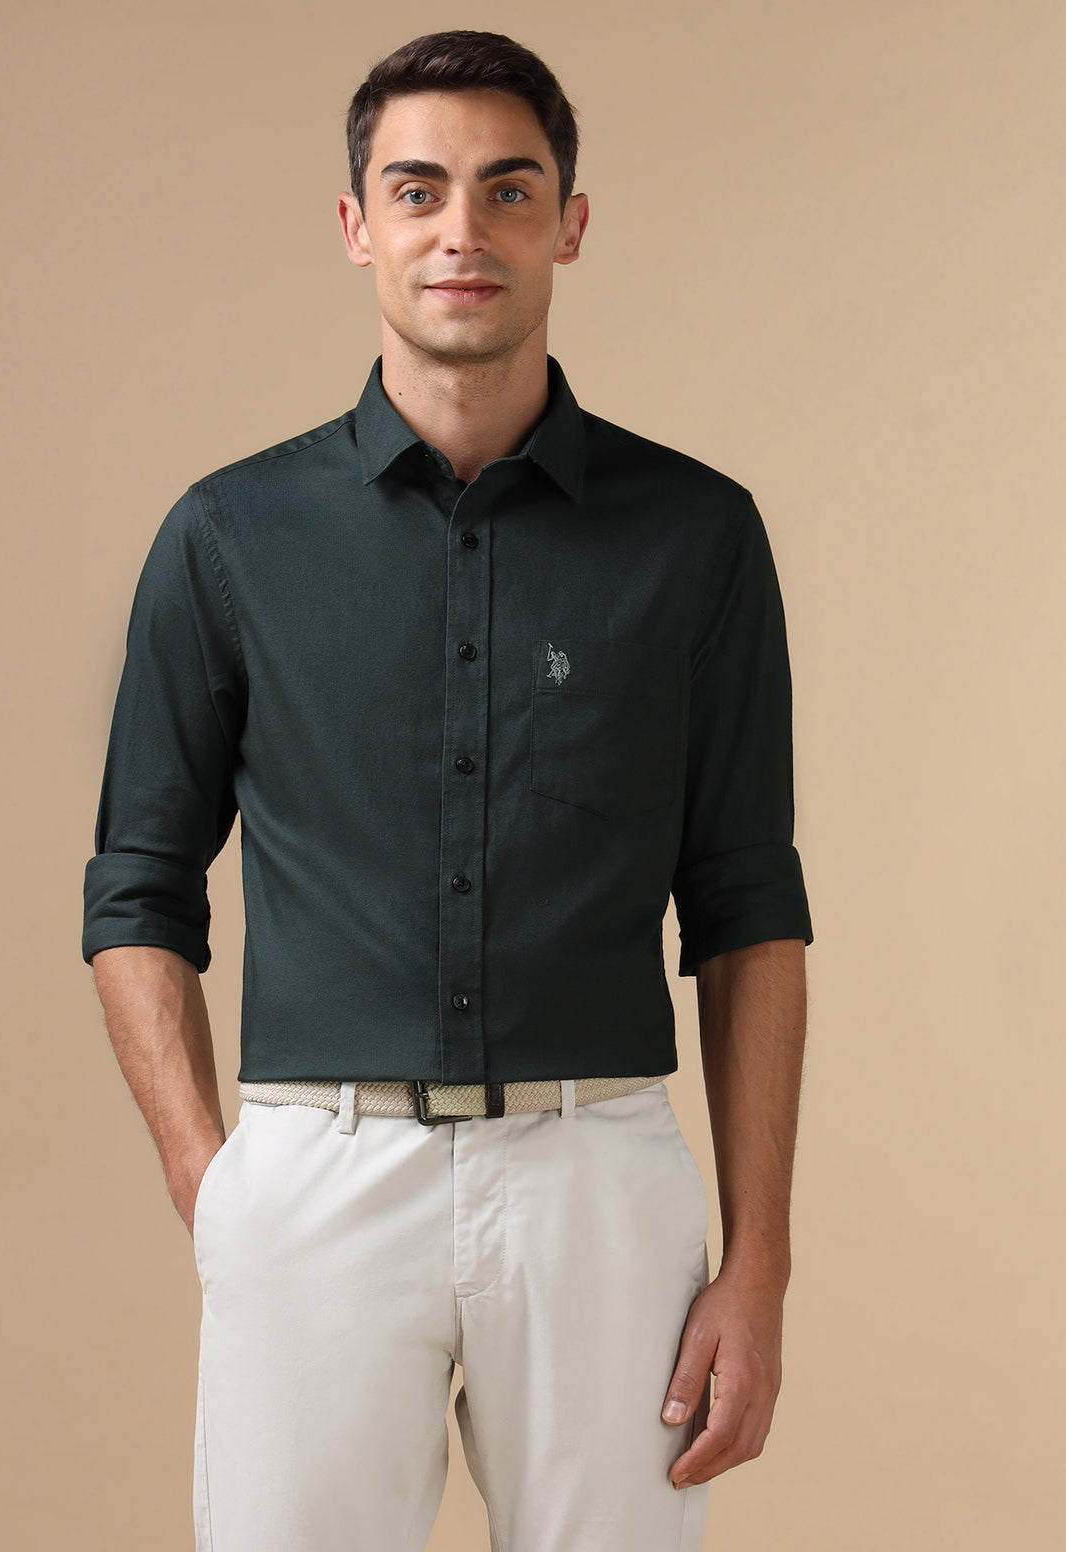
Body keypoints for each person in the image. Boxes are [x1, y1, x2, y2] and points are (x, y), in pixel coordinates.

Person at [81, 28, 813, 1552]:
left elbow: (748, 909)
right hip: (315, 1177)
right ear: (358, 226)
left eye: (508, 190)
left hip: (601, 1182)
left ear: (570, 223)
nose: (461, 231)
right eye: (418, 191)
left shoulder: (698, 538)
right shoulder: (229, 539)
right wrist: (217, 1190)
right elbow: (135, 891)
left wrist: (760, 1265)